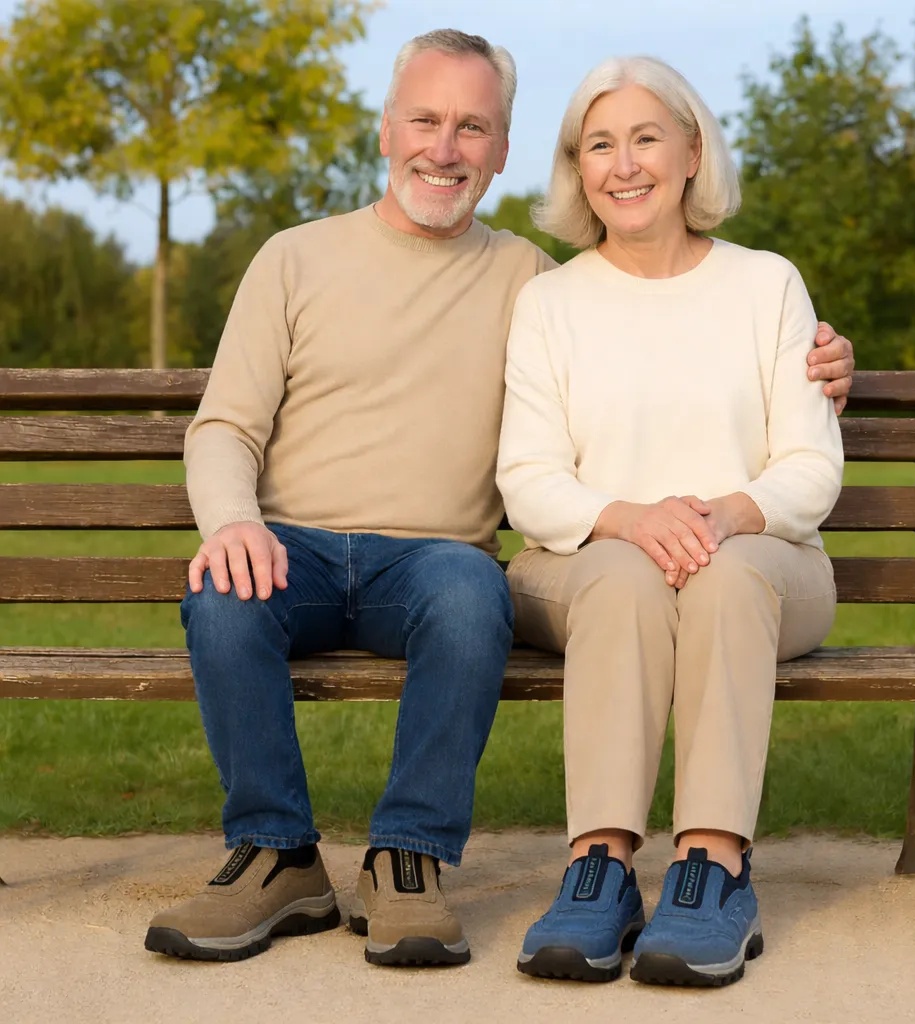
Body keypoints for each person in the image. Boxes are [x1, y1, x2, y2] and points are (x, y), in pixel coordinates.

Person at [145, 31, 855, 968]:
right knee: (224, 594)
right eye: (425, 121)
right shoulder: (313, 261)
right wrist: (235, 523)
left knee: (474, 594)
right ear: (387, 130)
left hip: (442, 559)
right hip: (298, 546)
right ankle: (279, 855)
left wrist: (826, 364)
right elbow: (226, 427)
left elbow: (677, 337)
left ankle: (420, 859)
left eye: (471, 127)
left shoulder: (537, 276)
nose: (444, 148)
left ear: (504, 150)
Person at [496, 56, 844, 988]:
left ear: (692, 152)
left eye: (646, 138)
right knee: (624, 575)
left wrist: (723, 516)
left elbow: (810, 466)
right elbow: (528, 480)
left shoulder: (767, 285)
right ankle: (599, 870)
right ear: (577, 168)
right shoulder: (550, 302)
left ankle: (713, 870)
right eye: (599, 145)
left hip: (760, 566)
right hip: (589, 567)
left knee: (724, 575)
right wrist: (628, 519)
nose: (624, 165)